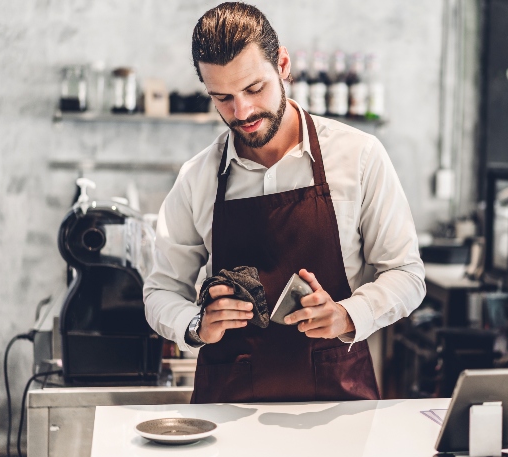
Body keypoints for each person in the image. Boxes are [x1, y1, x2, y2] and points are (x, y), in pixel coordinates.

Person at [143, 2, 425, 404]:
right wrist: (195, 325)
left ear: (283, 65)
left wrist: (348, 315)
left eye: (254, 89)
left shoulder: (358, 156)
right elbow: (160, 291)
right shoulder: (197, 178)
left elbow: (406, 274)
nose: (241, 112)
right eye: (222, 97)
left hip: (337, 409)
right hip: (227, 414)